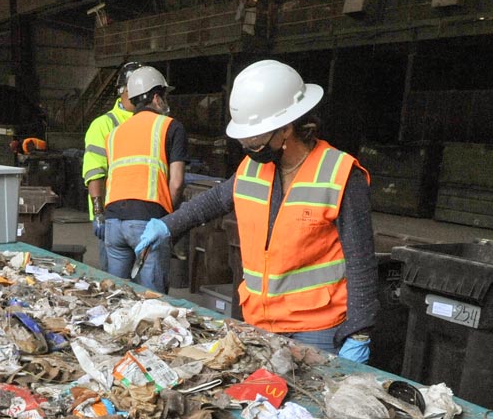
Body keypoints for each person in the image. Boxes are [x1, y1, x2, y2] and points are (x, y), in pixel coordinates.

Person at [135, 59, 376, 360]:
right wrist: (168, 225)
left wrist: (359, 330)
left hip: (318, 328)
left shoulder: (340, 174)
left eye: (255, 136)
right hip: (260, 321)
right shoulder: (252, 167)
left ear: (286, 128)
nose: (247, 144)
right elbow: (215, 201)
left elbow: (361, 261)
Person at [98, 66, 186, 293]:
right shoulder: (170, 127)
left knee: (115, 294)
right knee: (153, 300)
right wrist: (169, 223)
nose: (166, 102)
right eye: (164, 96)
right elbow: (176, 183)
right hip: (148, 221)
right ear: (156, 98)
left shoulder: (114, 134)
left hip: (113, 222)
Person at [82, 61, 142, 272]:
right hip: (113, 216)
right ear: (123, 91)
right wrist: (99, 213)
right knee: (116, 285)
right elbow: (95, 171)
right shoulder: (104, 125)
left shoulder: (154, 121)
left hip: (144, 214)